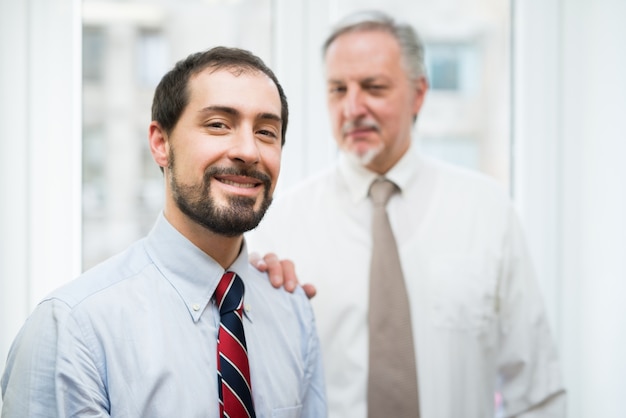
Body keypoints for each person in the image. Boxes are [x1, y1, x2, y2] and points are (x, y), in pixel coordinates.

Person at [246, 10, 566, 418]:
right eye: (338, 89)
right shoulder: (279, 225)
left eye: (374, 87)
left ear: (419, 93)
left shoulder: (487, 212)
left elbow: (536, 390)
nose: (353, 107)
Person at [1, 46, 326, 417]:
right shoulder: (73, 330)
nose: (249, 150)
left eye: (267, 131)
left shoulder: (293, 310)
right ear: (160, 143)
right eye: (219, 124)